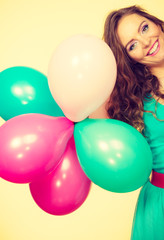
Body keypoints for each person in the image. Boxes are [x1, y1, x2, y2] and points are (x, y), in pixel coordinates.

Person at [94, 5, 164, 240]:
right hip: (160, 208)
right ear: (127, 58)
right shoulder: (134, 102)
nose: (145, 42)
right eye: (132, 45)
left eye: (144, 28)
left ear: (156, 22)